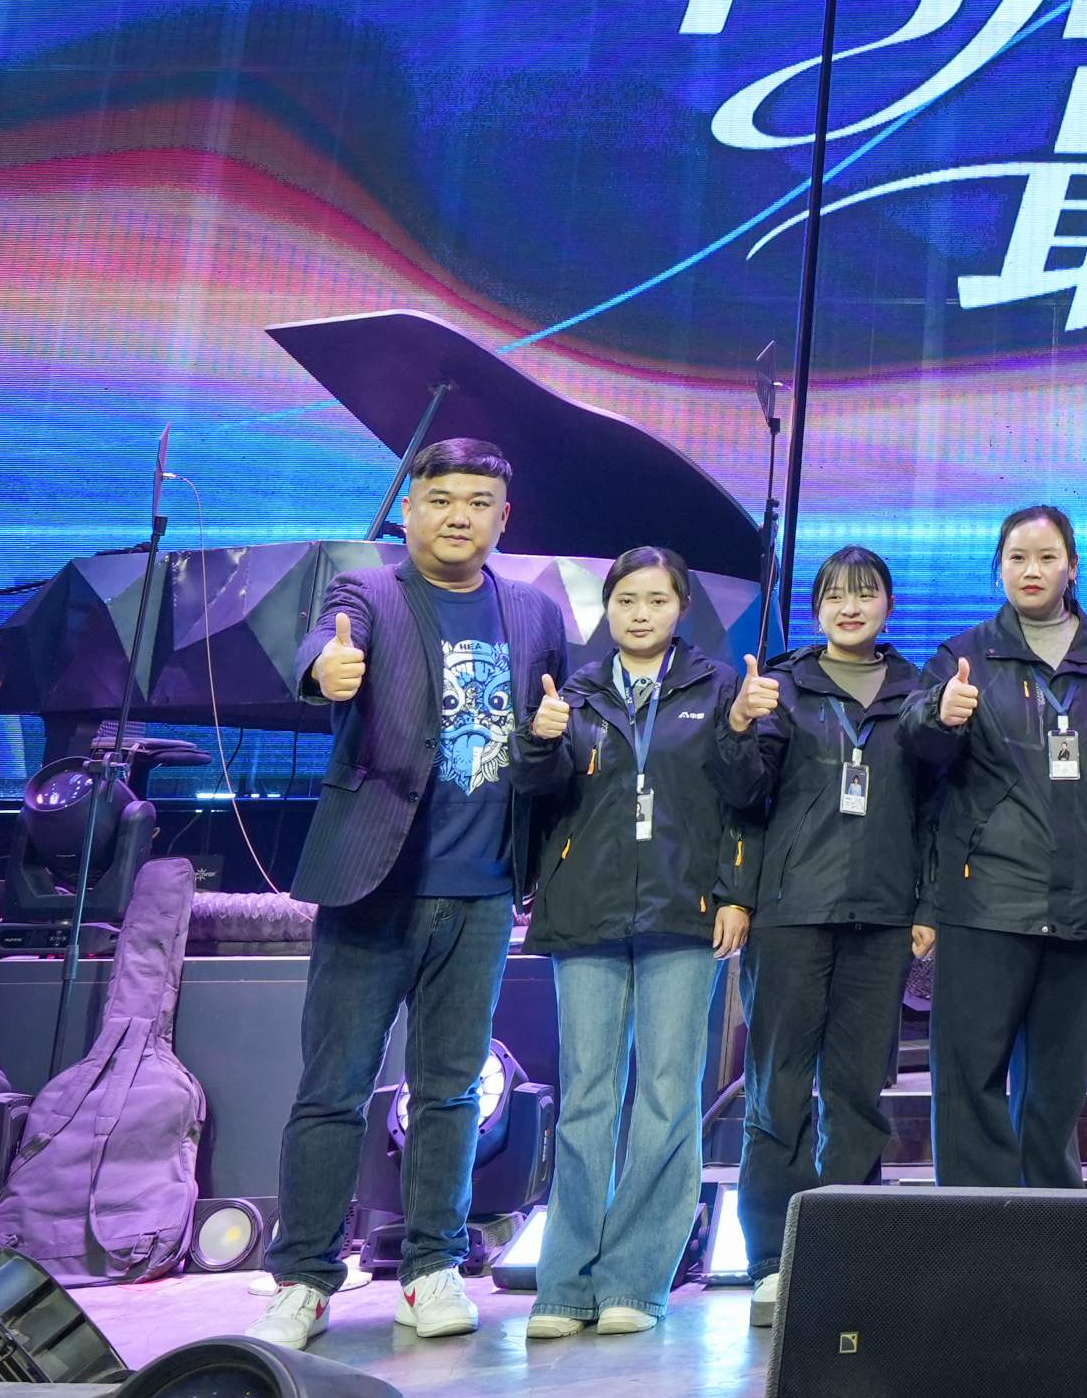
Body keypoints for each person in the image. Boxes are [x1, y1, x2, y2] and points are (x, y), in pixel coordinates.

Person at [260, 438, 571, 1350]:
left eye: (478, 501)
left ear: (504, 517)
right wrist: (324, 671)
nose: (458, 516)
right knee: (333, 1090)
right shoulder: (369, 592)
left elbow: (547, 736)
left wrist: (552, 737)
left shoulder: (534, 610)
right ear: (410, 510)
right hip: (374, 885)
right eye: (440, 499)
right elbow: (324, 643)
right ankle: (305, 1278)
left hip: (482, 892)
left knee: (451, 1092)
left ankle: (432, 1266)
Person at [514, 546, 744, 1338]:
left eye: (657, 600)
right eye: (626, 601)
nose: (640, 614)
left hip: (686, 908)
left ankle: (637, 1280)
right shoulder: (571, 693)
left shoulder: (719, 689)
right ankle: (565, 1282)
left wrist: (736, 894)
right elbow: (536, 795)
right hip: (587, 909)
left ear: (682, 608)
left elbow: (746, 802)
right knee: (585, 1096)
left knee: (667, 1095)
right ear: (607, 609)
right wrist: (539, 742)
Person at [710, 544, 933, 1324]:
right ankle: (774, 1257)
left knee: (857, 1091)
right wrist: (739, 724)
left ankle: (848, 1248)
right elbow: (742, 797)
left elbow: (937, 812)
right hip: (791, 911)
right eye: (835, 595)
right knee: (777, 1090)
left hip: (882, 915)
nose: (850, 607)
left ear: (888, 605)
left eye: (865, 593)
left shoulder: (918, 692)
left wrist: (927, 906)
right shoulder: (782, 686)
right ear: (815, 609)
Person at [909, 506, 1087, 1188]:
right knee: (970, 1078)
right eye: (1017, 558)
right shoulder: (963, 656)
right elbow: (917, 749)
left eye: (1046, 557)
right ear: (999, 568)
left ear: (1073, 567)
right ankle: (974, 1227)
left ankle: (1051, 1226)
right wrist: (938, 716)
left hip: (1082, 900)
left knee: (1057, 1085)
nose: (1031, 570)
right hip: (985, 899)